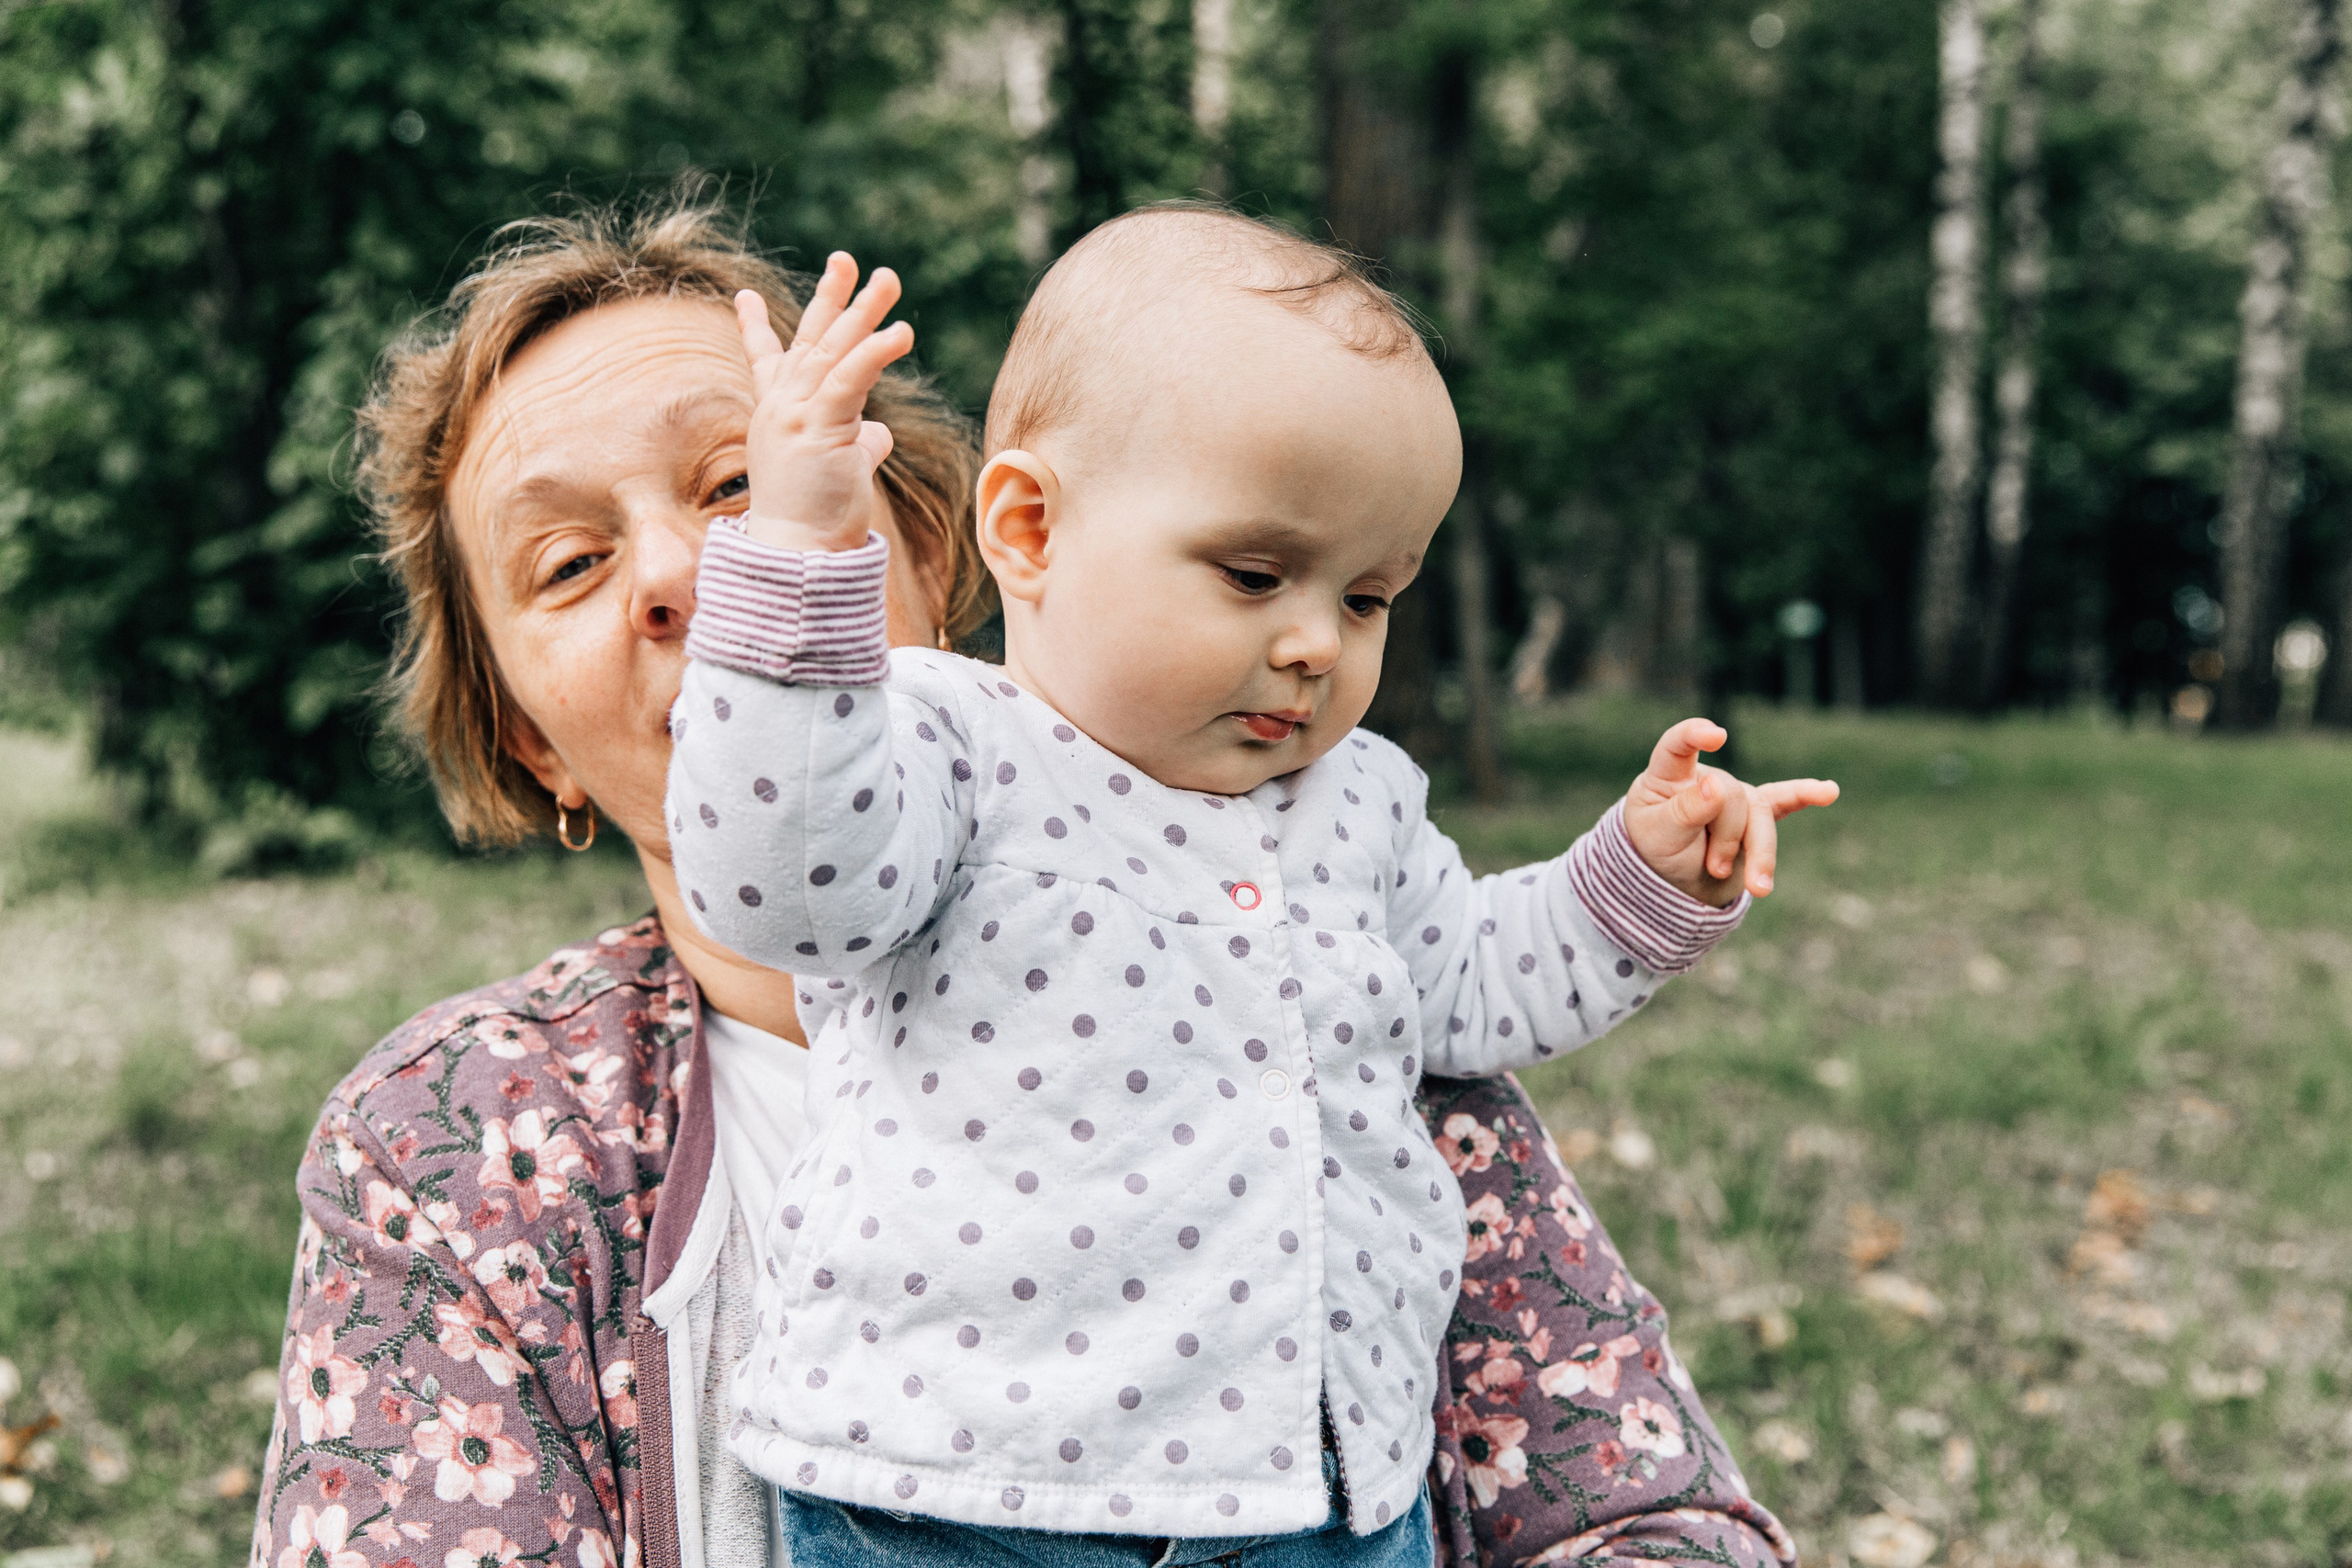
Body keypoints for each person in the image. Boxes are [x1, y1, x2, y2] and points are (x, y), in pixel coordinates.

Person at [247, 192, 1800, 1568]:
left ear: (939, 545)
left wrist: (1643, 882)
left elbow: (1635, 1515)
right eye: (570, 565)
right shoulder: (456, 1149)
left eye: (740, 489)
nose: (679, 580)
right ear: (533, 744)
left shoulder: (1326, 978)